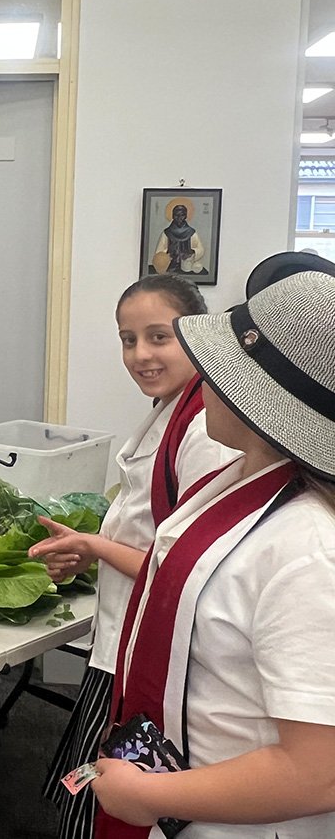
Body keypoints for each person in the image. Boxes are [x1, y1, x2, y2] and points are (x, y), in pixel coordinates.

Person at [87, 269, 335, 838]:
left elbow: (318, 772)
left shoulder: (308, 547)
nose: (208, 381)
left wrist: (151, 793)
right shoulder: (238, 480)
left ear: (264, 399)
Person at [27, 274, 236, 839]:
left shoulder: (206, 428)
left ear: (198, 334)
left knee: (107, 792)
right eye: (127, 339)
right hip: (124, 634)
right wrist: (92, 551)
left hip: (145, 648)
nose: (140, 355)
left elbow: (191, 570)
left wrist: (95, 545)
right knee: (92, 779)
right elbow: (155, 537)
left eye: (158, 337)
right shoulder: (174, 406)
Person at [152, 204, 205, 275]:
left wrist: (192, 252)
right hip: (170, 267)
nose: (179, 218)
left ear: (186, 216)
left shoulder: (191, 232)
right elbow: (159, 252)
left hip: (187, 267)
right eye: (176, 215)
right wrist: (168, 253)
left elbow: (200, 249)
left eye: (182, 215)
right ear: (172, 216)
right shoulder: (167, 233)